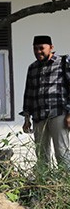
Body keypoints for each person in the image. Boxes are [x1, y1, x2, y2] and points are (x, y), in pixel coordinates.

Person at [22, 35, 70, 168]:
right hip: (38, 116)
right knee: (41, 154)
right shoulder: (32, 67)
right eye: (35, 49)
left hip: (58, 113)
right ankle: (45, 185)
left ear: (51, 47)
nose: (38, 51)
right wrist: (27, 118)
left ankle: (64, 185)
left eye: (41, 48)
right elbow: (29, 93)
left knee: (62, 152)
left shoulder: (63, 62)